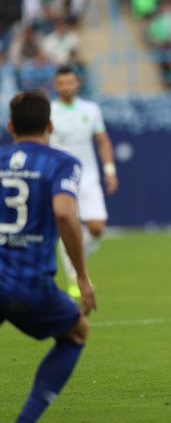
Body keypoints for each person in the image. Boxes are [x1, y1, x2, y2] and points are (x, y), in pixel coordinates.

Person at [1, 91, 97, 422]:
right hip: (30, 283)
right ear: (50, 125)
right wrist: (81, 277)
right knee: (76, 333)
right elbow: (65, 212)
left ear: (10, 126)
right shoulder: (62, 163)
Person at [49, 66, 118, 299]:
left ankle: (73, 261)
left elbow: (103, 141)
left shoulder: (91, 109)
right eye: (62, 83)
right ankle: (77, 275)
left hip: (88, 177)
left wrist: (109, 170)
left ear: (77, 83)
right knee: (67, 225)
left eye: (70, 82)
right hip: (60, 177)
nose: (66, 86)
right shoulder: (49, 111)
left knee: (97, 228)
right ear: (55, 85)